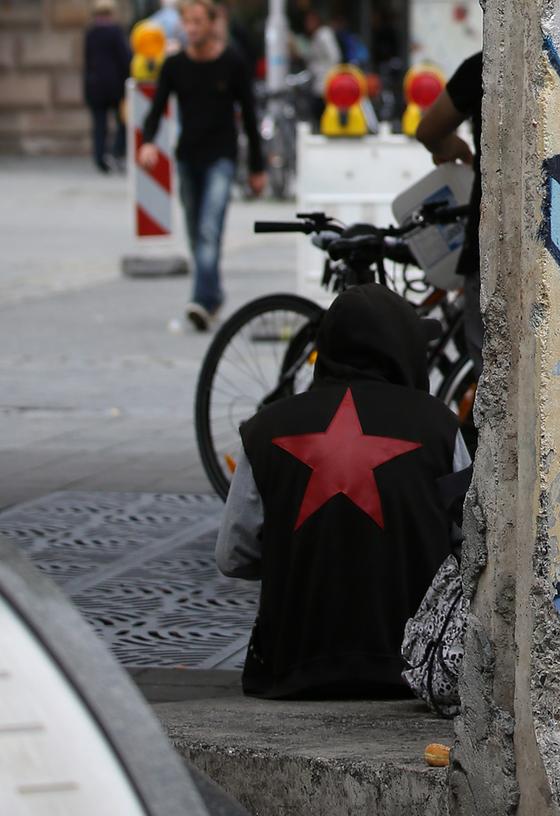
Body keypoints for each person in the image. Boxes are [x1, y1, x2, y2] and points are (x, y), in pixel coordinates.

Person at [216, 284, 471, 699]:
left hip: (289, 671)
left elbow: (232, 556)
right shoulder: (439, 427)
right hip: (411, 669)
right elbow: (474, 545)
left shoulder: (264, 429)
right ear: (399, 351)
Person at [138, 0, 264, 332]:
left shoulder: (232, 63)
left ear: (211, 23)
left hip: (221, 157)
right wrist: (148, 141)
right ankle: (214, 293)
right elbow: (157, 108)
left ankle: (200, 302)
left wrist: (256, 167)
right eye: (186, 21)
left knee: (209, 230)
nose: (190, 28)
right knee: (196, 235)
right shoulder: (175, 65)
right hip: (187, 157)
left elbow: (250, 117)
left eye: (196, 21)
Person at [416, 52, 484, 377]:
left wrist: (455, 149)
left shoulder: (483, 65)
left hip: (487, 244)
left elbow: (429, 131)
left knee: (491, 371)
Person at [82, 0, 130, 174]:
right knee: (123, 122)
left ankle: (100, 157)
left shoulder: (91, 33)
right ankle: (116, 152)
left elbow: (87, 62)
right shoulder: (115, 32)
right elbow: (125, 58)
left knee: (99, 125)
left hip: (95, 86)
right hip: (115, 86)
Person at [303, 8, 341, 115]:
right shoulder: (316, 36)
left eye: (310, 21)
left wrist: (328, 75)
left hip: (325, 82)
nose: (308, 24)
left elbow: (335, 57)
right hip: (319, 82)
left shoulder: (324, 34)